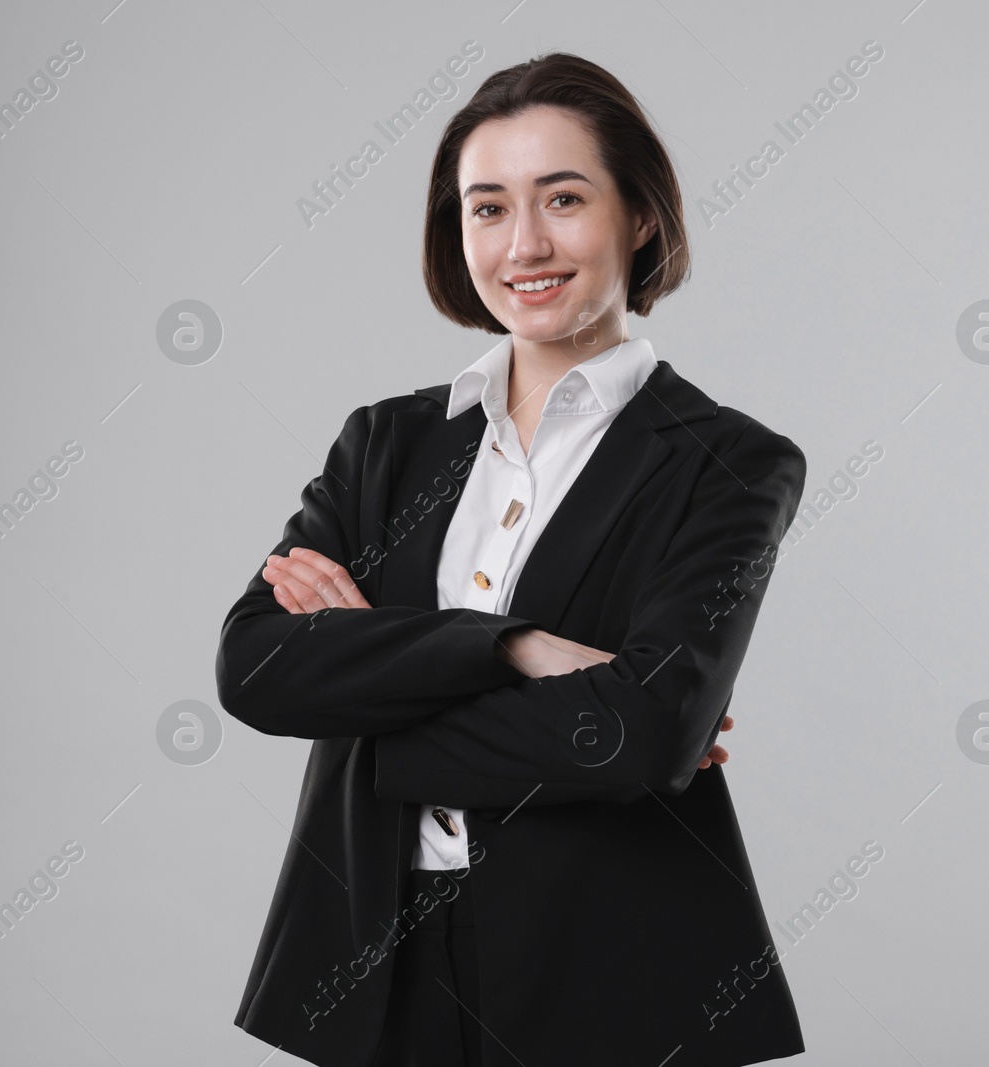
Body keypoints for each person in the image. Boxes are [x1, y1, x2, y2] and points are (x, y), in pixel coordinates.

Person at [214, 52, 807, 1067]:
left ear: (642, 215)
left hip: (612, 968)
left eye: (563, 198)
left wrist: (371, 702)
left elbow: (639, 735)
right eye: (486, 208)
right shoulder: (384, 443)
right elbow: (257, 667)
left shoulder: (730, 462)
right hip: (372, 968)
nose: (523, 243)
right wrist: (514, 648)